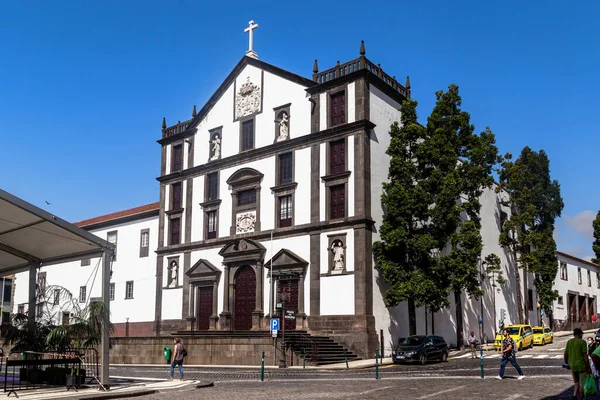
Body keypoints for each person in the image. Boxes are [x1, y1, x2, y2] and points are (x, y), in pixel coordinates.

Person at [564, 328, 591, 400]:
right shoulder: (582, 342)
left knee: (576, 382)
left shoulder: (569, 342)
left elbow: (565, 354)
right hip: (581, 366)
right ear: (580, 334)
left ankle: (574, 395)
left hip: (572, 366)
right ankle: (581, 398)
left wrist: (566, 362)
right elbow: (585, 356)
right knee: (581, 383)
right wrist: (588, 367)